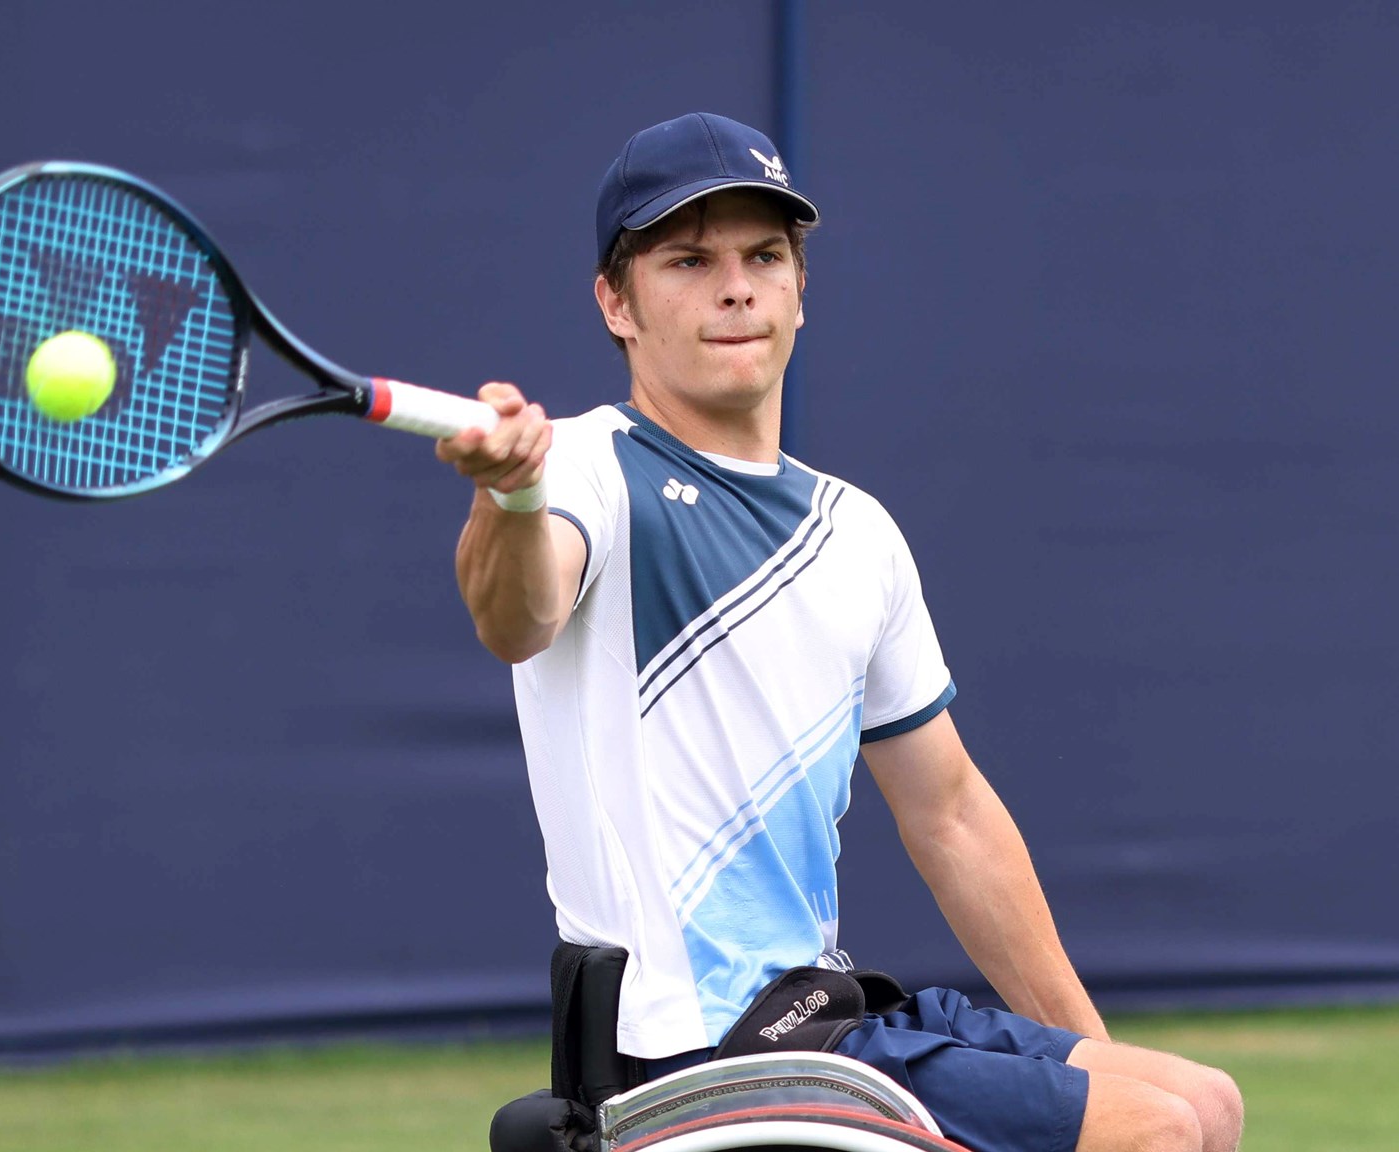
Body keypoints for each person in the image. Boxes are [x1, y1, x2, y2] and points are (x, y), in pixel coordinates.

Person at [437, 112, 1243, 1152]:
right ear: (616, 302)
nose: (736, 288)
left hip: (819, 1015)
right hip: (694, 1052)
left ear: (799, 291)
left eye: (763, 257)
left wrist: (1080, 1052)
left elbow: (951, 814)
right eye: (689, 261)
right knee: (1154, 1133)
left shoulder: (855, 532)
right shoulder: (588, 467)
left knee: (1203, 1106)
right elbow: (516, 618)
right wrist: (508, 497)